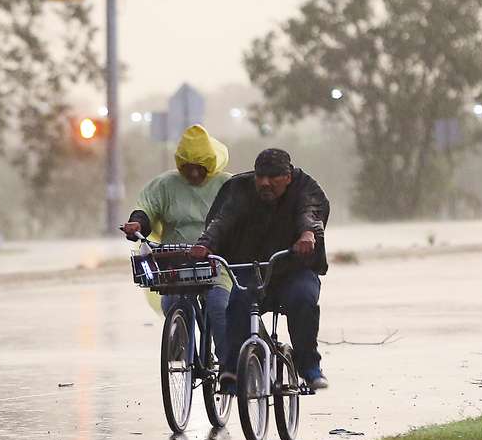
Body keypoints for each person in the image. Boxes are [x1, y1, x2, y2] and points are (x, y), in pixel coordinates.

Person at [191, 148, 331, 391]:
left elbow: (311, 213)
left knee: (304, 300)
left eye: (273, 177)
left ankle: (309, 366)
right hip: (252, 268)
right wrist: (205, 244)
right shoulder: (240, 189)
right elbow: (222, 220)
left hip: (294, 268)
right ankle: (232, 368)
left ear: (288, 177)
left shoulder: (305, 187)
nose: (265, 183)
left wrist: (308, 234)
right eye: (260, 176)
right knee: (236, 305)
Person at [121, 125, 234, 369]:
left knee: (218, 306)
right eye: (187, 168)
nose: (193, 174)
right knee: (171, 303)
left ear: (210, 164)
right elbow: (147, 209)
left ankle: (229, 365)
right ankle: (183, 350)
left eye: (199, 168)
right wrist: (136, 223)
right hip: (177, 262)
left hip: (217, 263)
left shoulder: (227, 185)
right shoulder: (165, 185)